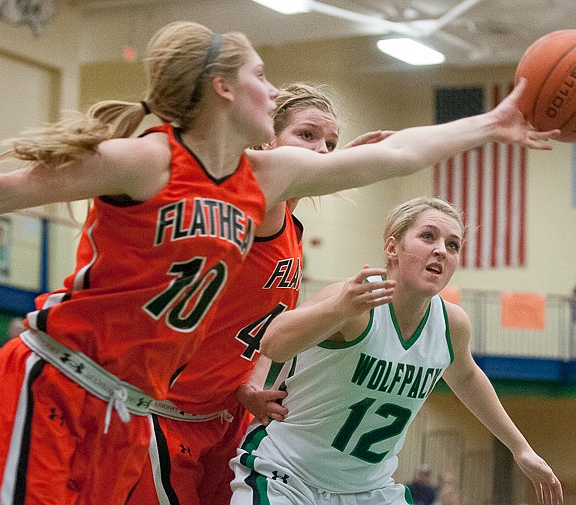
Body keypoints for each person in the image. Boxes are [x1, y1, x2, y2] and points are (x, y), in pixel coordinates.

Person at [0, 20, 557, 504]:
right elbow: (9, 189)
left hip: (133, 410)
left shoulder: (264, 180)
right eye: (260, 76)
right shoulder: (152, 160)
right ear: (223, 89)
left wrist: (489, 124)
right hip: (61, 379)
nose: (272, 88)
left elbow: (396, 157)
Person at [128, 83, 389, 505]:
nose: (322, 150)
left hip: (226, 414)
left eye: (330, 143)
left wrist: (247, 383)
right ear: (266, 140)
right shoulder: (259, 206)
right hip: (167, 413)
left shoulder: (289, 223)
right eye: (307, 135)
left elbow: (265, 327)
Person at [230, 196, 563, 505]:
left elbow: (465, 376)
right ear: (392, 247)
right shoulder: (356, 301)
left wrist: (520, 448)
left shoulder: (451, 325)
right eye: (428, 237)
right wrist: (339, 310)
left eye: (452, 244)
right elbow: (273, 342)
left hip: (369, 491)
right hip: (289, 477)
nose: (441, 251)